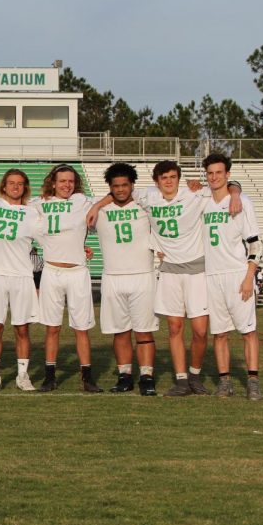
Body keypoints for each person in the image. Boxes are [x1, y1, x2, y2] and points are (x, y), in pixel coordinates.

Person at [88, 160, 241, 397]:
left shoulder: (193, 193)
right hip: (168, 270)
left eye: (172, 177)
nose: (168, 182)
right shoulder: (149, 196)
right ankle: (180, 380)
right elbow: (117, 193)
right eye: (163, 178)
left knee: (201, 331)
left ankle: (195, 374)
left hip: (196, 269)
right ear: (156, 181)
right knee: (173, 327)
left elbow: (224, 185)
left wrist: (236, 193)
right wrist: (98, 204)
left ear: (178, 178)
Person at [32, 165, 102, 393]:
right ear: (53, 182)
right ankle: (49, 377)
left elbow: (110, 199)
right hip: (51, 271)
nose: (67, 185)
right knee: (52, 328)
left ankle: (87, 377)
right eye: (62, 181)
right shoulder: (40, 203)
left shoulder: (82, 201)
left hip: (77, 271)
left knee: (81, 328)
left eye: (71, 181)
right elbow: (13, 203)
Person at [93, 164, 159, 396]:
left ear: (132, 185)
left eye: (124, 185)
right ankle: (125, 376)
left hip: (143, 275)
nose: (120, 190)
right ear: (109, 188)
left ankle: (147, 376)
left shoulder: (145, 204)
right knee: (120, 331)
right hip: (113, 276)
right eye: (115, 186)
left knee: (144, 331)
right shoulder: (99, 209)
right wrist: (100, 202)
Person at [201, 154, 263, 400]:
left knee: (248, 331)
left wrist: (249, 277)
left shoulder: (242, 201)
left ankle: (253, 380)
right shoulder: (202, 201)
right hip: (212, 275)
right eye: (210, 173)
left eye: (219, 172)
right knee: (220, 333)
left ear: (227, 174)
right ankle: (225, 381)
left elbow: (255, 244)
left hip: (238, 274)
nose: (214, 177)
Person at [0, 169, 40, 393]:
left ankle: (22, 375)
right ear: (3, 186)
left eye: (20, 184)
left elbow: (53, 235)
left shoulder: (32, 213)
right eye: (11, 183)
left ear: (25, 187)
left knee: (22, 329)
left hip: (22, 275)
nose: (15, 187)